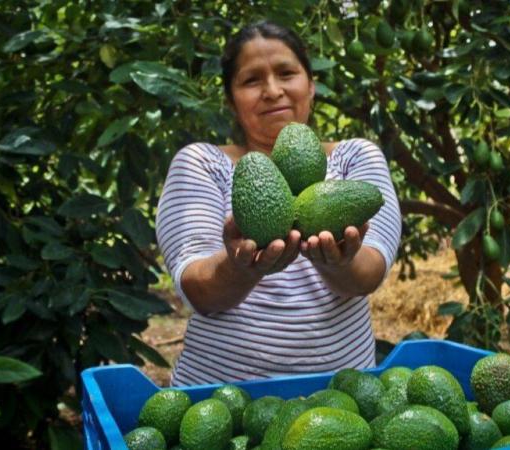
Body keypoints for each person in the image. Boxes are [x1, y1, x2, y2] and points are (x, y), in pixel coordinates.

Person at [155, 20, 402, 386]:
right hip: (220, 401)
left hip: (342, 400)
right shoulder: (201, 163)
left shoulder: (355, 157)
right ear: (231, 98)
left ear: (311, 84)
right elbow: (198, 290)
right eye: (252, 80)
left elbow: (368, 274)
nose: (272, 91)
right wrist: (241, 268)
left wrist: (338, 263)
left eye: (287, 73)